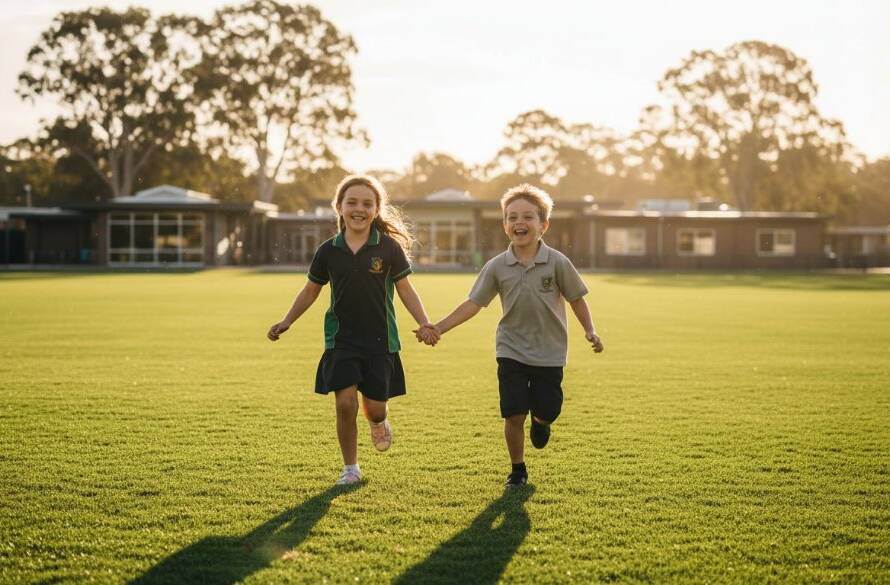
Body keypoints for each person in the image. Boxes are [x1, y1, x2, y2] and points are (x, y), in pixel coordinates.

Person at [417, 184, 603, 487]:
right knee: (513, 413)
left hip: (549, 352)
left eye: (528, 216)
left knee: (547, 409)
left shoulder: (556, 262)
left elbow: (576, 299)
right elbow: (473, 304)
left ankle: (541, 423)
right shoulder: (497, 267)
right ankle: (517, 469)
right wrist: (438, 327)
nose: (520, 222)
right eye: (512, 216)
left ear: (544, 225)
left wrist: (590, 330)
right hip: (510, 349)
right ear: (505, 225)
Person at [268, 174, 439, 486]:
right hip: (341, 340)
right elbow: (310, 292)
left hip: (380, 341)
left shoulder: (387, 248)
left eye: (366, 203)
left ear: (376, 210)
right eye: (352, 202)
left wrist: (424, 322)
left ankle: (379, 421)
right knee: (345, 403)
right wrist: (287, 320)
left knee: (373, 408)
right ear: (339, 207)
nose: (359, 209)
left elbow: (406, 290)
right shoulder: (328, 251)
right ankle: (350, 468)